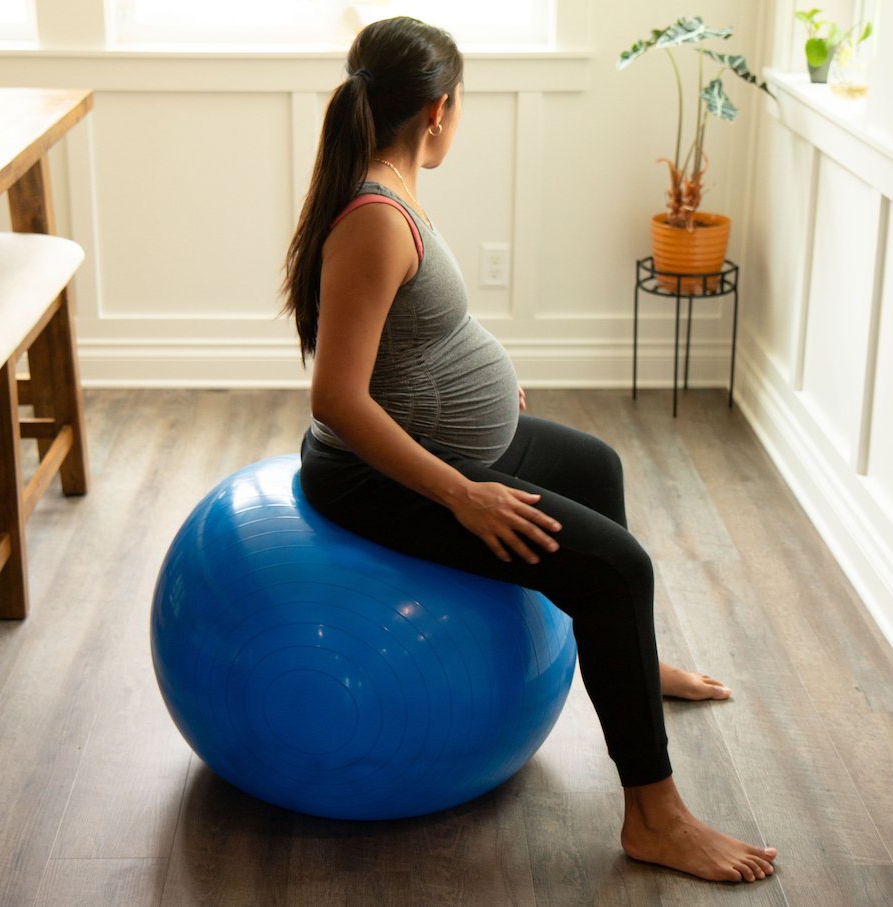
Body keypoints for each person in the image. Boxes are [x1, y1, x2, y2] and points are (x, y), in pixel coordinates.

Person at [283, 16, 777, 883]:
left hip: (449, 437)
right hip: (373, 478)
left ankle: (633, 658)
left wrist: (481, 381)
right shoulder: (373, 217)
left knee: (598, 465)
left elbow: (410, 339)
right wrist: (461, 495)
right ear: (439, 109)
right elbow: (335, 398)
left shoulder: (390, 189)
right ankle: (654, 816)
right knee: (615, 568)